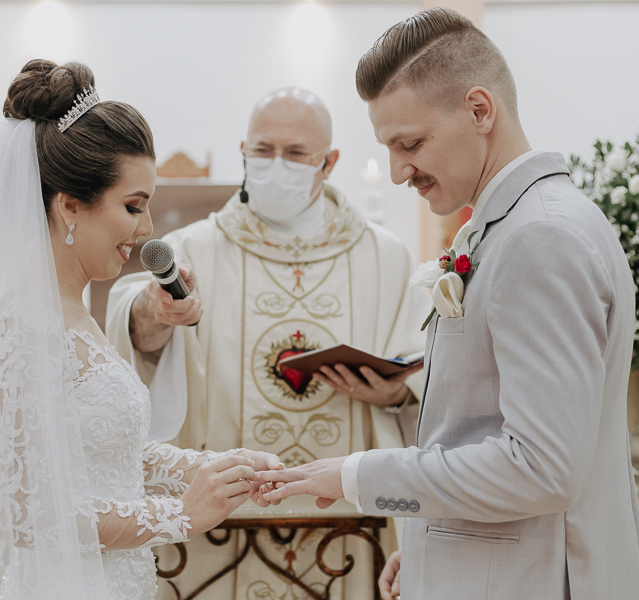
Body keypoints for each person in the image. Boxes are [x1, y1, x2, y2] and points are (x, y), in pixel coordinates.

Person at [260, 8, 639, 600]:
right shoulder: (518, 225)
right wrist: (432, 543)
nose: (398, 172)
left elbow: (542, 468)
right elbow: (481, 427)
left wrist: (357, 475)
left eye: (410, 143)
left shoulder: (539, 238)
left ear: (479, 110)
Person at [0, 59, 283, 600]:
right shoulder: (21, 324)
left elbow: (107, 454)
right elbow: (29, 514)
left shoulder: (73, 310)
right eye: (133, 206)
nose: (147, 228)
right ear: (70, 205)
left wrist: (214, 468)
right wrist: (181, 515)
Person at [105, 87, 429, 598]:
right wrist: (153, 312)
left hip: (346, 527)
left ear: (328, 162)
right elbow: (132, 329)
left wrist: (396, 392)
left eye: (296, 153)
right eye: (262, 150)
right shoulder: (193, 247)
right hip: (218, 533)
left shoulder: (385, 257)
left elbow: (426, 370)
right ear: (243, 151)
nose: (277, 165)